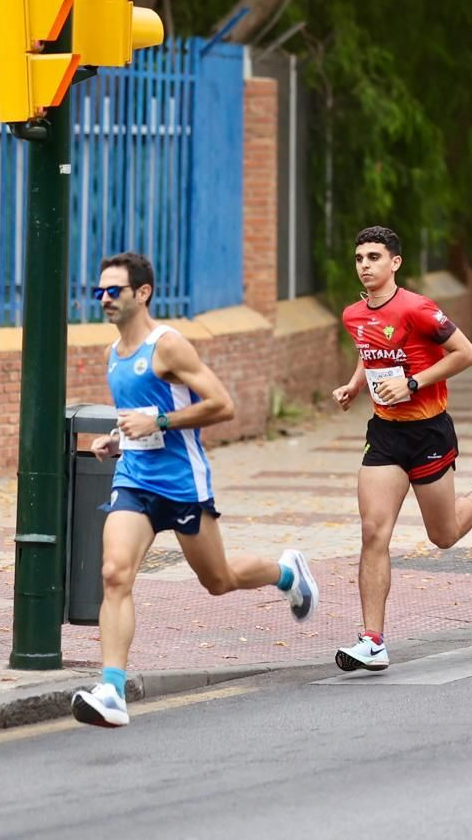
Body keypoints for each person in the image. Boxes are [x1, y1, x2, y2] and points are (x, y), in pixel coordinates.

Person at [71, 253, 318, 728]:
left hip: (183, 483)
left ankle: (286, 573)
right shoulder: (113, 354)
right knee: (115, 573)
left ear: (142, 293)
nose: (103, 299)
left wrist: (158, 420)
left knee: (218, 580)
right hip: (135, 479)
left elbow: (222, 405)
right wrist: (117, 440)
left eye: (113, 291)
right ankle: (113, 690)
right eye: (97, 291)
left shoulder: (169, 347)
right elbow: (138, 421)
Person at [331, 226, 472, 671]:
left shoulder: (417, 308)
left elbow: (466, 353)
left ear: (395, 263)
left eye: (374, 257)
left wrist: (412, 382)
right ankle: (373, 640)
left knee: (443, 536)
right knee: (374, 531)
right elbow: (369, 349)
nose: (365, 265)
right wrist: (355, 385)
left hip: (429, 432)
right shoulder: (354, 313)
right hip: (385, 435)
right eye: (359, 258)